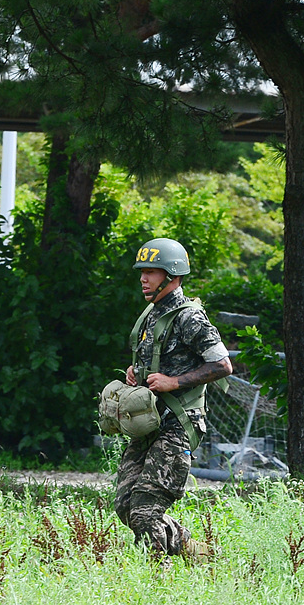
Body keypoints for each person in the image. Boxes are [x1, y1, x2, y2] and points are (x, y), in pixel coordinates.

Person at [116, 237, 232, 562]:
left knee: (145, 510)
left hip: (178, 425)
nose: (143, 278)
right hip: (149, 422)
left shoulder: (189, 317)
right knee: (125, 504)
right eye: (142, 271)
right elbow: (156, 358)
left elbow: (222, 364)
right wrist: (135, 372)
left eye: (152, 272)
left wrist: (174, 382)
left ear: (172, 275)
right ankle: (196, 552)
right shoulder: (150, 315)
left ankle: (160, 582)